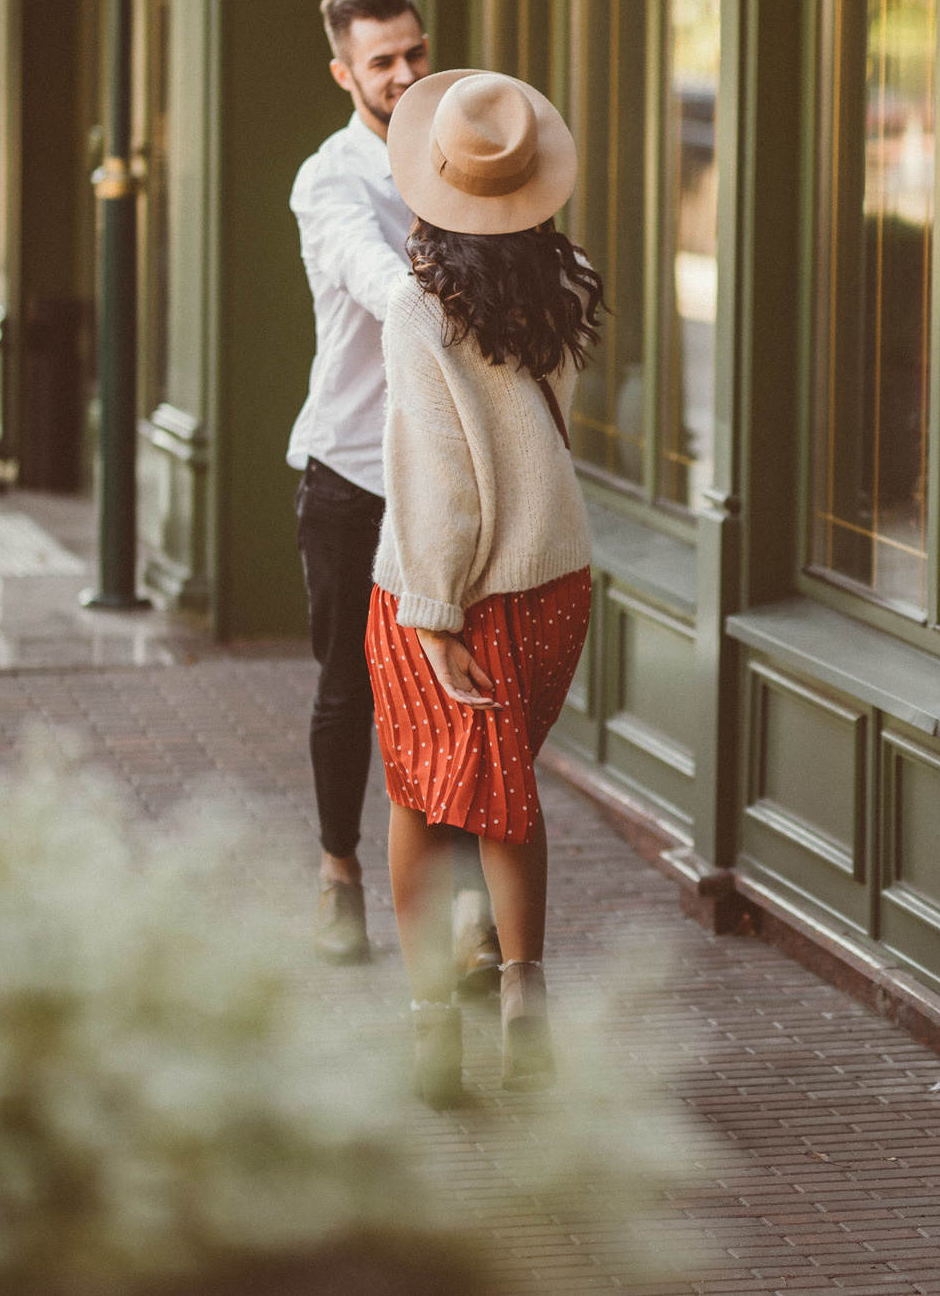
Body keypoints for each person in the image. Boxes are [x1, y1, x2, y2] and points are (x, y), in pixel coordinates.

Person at [370, 68, 603, 1104]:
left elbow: (443, 490)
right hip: (555, 582)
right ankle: (521, 998)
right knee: (505, 792)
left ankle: (429, 1034)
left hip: (448, 589)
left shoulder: (422, 312)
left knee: (423, 800)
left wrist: (432, 612)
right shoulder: (569, 282)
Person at [287, 0, 497, 981]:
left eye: (416, 51)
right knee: (349, 690)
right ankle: (338, 873)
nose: (408, 73)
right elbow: (379, 285)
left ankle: (462, 912)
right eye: (384, 61)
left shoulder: (474, 149)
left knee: (454, 691)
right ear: (345, 74)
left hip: (453, 479)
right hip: (356, 469)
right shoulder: (327, 180)